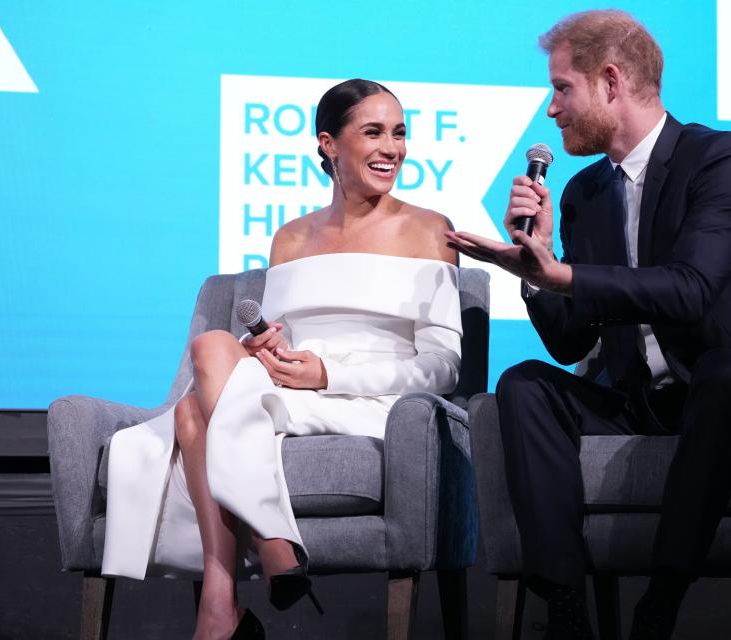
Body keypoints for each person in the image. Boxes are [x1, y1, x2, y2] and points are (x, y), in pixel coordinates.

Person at [446, 10, 731, 640]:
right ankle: (565, 607)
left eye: (562, 88)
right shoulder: (583, 194)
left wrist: (563, 276)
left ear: (609, 81)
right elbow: (573, 339)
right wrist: (531, 266)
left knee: (721, 372)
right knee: (524, 384)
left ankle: (659, 604)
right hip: (643, 399)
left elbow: (692, 289)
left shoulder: (723, 159)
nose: (552, 109)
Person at [101, 79, 462, 640]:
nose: (393, 148)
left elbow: (443, 366)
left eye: (399, 133)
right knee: (213, 349)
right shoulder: (290, 238)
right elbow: (281, 340)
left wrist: (330, 373)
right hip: (290, 395)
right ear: (328, 144)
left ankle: (243, 581)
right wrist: (269, 354)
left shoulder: (430, 231)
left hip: (379, 401)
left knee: (193, 416)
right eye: (373, 132)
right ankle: (242, 582)